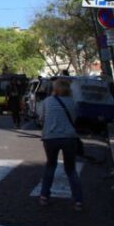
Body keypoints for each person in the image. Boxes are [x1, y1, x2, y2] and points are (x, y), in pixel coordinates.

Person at [39, 78, 83, 211]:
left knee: (50, 166)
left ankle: (44, 196)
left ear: (54, 89)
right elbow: (74, 119)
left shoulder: (47, 102)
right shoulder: (72, 102)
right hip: (68, 137)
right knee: (70, 169)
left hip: (50, 137)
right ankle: (78, 201)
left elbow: (41, 117)